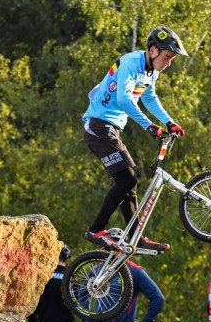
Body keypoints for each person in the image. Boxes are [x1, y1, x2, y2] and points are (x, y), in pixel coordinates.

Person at [81, 26, 188, 253]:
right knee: (127, 180)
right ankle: (96, 230)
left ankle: (135, 237)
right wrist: (149, 126)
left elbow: (149, 98)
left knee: (128, 183)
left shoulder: (151, 71)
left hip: (110, 129)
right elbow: (124, 100)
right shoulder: (131, 63)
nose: (168, 63)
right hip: (98, 126)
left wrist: (169, 122)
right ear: (152, 50)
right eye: (167, 57)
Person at [28, 244, 76, 322]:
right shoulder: (71, 279)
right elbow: (79, 304)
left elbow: (33, 302)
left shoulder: (42, 277)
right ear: (67, 259)